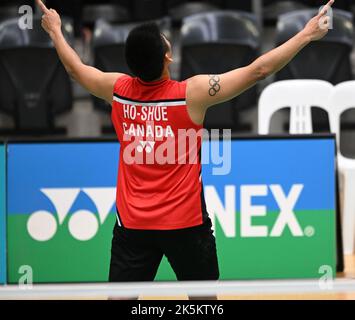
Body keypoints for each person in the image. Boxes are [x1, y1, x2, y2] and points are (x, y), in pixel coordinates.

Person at [36, 0, 334, 299]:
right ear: (167, 56)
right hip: (187, 227)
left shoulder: (117, 90)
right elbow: (258, 70)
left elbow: (76, 69)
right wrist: (306, 34)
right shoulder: (191, 95)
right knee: (203, 303)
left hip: (134, 228)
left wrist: (56, 30)